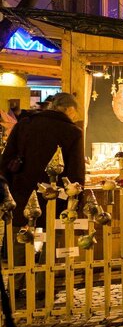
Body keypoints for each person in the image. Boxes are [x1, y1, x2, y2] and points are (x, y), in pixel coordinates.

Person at [0, 92, 85, 229]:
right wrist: (76, 202)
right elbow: (76, 173)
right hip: (55, 201)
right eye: (76, 113)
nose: (75, 117)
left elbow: (5, 161)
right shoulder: (73, 132)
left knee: (20, 242)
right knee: (51, 243)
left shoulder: (24, 124)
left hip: (21, 196)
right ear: (69, 109)